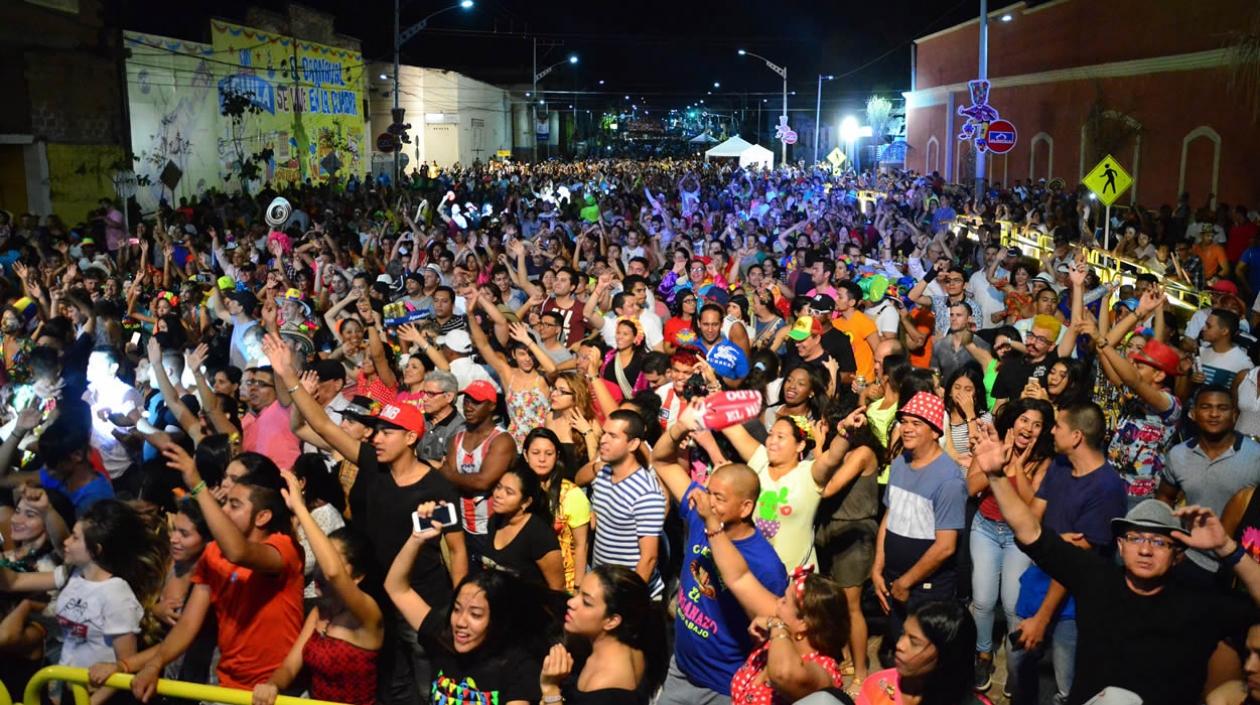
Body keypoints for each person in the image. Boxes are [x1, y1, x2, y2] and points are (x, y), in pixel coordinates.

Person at [973, 418, 1260, 705]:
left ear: (1178, 555)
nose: (1145, 549)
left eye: (1159, 542)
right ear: (1120, 547)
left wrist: (1227, 547)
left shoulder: (1197, 602)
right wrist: (997, 477)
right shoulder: (1096, 579)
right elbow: (1031, 532)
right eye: (1135, 538)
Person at [650, 411, 788, 705]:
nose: (708, 502)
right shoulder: (702, 514)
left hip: (725, 687)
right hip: (681, 670)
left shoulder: (766, 565)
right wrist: (679, 428)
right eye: (709, 492)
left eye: (720, 498)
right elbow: (661, 461)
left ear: (745, 507)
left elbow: (773, 632)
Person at [692, 490, 851, 705]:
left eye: (784, 601)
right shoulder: (777, 640)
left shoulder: (823, 670)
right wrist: (712, 524)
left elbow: (783, 674)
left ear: (804, 623)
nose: (777, 603)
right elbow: (739, 577)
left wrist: (776, 624)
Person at [385, 503, 554, 705]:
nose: (461, 622)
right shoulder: (443, 636)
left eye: (475, 614)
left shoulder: (517, 664)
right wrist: (416, 539)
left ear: (497, 620)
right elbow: (396, 587)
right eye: (457, 609)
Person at [1, 499, 161, 705]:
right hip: (69, 690)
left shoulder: (116, 594)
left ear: (96, 550)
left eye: (75, 538)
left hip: (99, 698)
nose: (66, 543)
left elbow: (125, 665)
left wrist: (90, 703)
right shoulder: (72, 575)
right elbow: (13, 582)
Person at [251, 469, 383, 705]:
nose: (322, 569)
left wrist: (301, 509)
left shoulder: (367, 614)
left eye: (329, 559)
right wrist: (273, 684)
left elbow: (333, 573)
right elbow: (290, 666)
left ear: (358, 576)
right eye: (320, 561)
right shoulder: (320, 611)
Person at [964, 398, 1054, 692]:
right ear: (1013, 422)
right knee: (983, 600)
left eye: (1037, 424)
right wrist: (997, 462)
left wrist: (1015, 466)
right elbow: (972, 487)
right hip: (985, 530)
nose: (1029, 428)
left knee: (1014, 606)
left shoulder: (1043, 461)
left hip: (1019, 539)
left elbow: (1030, 506)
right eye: (1024, 420)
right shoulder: (992, 442)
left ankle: (1016, 665)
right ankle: (983, 654)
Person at [872, 391, 967, 660]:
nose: (907, 428)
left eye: (917, 423)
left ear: (935, 431)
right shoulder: (900, 462)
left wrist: (906, 582)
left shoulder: (949, 479)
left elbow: (946, 547)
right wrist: (878, 567)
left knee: (925, 657)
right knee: (900, 649)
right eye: (905, 421)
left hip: (927, 589)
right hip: (894, 580)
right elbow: (890, 516)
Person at [719, 408, 868, 570]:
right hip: (757, 574)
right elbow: (733, 430)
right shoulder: (760, 460)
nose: (772, 441)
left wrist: (846, 431)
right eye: (770, 435)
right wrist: (709, 400)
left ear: (800, 445)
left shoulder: (808, 474)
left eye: (781, 437)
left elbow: (832, 457)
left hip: (797, 581)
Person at [1159, 386, 1260, 585]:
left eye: (1222, 408)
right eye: (1206, 407)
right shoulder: (1178, 455)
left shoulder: (1256, 456)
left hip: (1242, 567)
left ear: (1234, 414)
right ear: (1193, 414)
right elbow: (1164, 496)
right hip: (1193, 560)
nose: (1214, 414)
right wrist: (1172, 541)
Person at [539, 565, 669, 705]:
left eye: (586, 602)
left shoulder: (606, 686)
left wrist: (550, 690)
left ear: (612, 621)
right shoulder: (630, 644)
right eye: (578, 593)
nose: (571, 602)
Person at [577, 410, 667, 599]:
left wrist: (630, 601)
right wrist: (597, 466)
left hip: (628, 593)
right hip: (603, 586)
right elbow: (579, 479)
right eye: (604, 433)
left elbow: (649, 558)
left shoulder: (646, 492)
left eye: (613, 436)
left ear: (633, 444)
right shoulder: (603, 472)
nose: (603, 440)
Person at [855, 601, 991, 705]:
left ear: (946, 654)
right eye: (903, 634)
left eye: (914, 642)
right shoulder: (877, 687)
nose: (899, 645)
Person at [441, 379, 516, 559]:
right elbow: (448, 482)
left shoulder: (502, 440)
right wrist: (459, 478)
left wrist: (450, 474)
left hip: (492, 527)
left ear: (491, 406)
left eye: (476, 401)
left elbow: (483, 482)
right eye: (466, 400)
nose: (468, 406)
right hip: (461, 525)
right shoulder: (456, 439)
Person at [521, 428, 590, 593]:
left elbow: (582, 545)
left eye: (549, 453)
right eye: (536, 452)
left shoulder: (571, 494)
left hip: (562, 582)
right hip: (525, 578)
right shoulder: (518, 489)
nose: (542, 459)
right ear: (525, 455)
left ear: (557, 456)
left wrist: (577, 587)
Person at [480, 464, 564, 589]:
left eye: (509, 492)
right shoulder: (495, 520)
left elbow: (557, 587)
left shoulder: (539, 534)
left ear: (526, 502)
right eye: (498, 487)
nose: (498, 494)